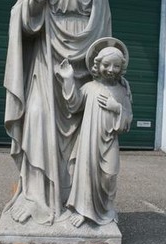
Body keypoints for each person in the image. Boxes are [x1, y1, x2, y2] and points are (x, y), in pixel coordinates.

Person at [3, 0, 112, 225]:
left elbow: (106, 39)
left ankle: (80, 205)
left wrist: (103, 83)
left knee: (85, 143)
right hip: (45, 69)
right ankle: (37, 199)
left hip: (83, 79)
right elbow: (22, 24)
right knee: (35, 119)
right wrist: (35, 1)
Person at [57, 38, 133, 227]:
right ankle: (83, 211)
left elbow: (128, 120)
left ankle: (107, 209)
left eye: (116, 66)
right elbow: (74, 105)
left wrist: (116, 108)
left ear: (121, 68)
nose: (111, 70)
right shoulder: (90, 88)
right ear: (98, 66)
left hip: (109, 141)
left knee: (109, 175)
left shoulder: (123, 91)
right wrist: (67, 79)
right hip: (89, 141)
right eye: (107, 65)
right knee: (86, 174)